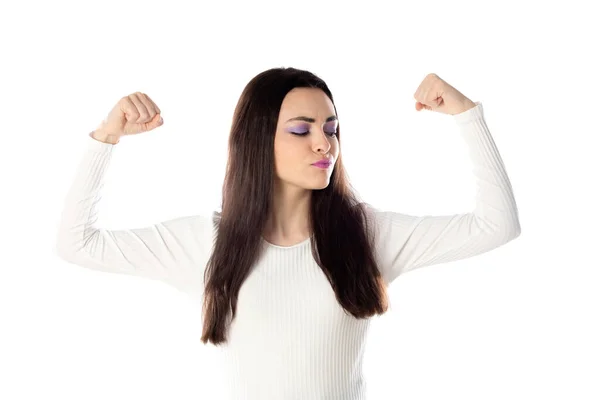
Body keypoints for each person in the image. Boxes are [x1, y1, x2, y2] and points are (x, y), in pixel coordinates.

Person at [55, 67, 521, 399]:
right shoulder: (206, 245)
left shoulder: (367, 235)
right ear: (259, 141)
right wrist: (106, 137)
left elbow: (496, 225)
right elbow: (77, 243)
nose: (325, 143)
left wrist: (467, 115)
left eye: (331, 128)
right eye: (301, 129)